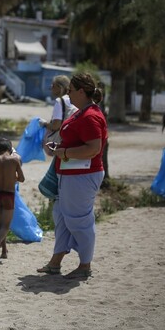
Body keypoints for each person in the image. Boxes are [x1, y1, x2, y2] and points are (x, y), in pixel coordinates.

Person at [37, 72, 108, 279]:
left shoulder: (91, 115)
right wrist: (60, 147)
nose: (67, 94)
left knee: (79, 220)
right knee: (61, 217)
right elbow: (79, 141)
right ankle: (55, 263)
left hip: (82, 175)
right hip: (70, 173)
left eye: (70, 90)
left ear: (80, 91)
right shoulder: (81, 112)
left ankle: (85, 266)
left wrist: (65, 152)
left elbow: (94, 148)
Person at [40, 75, 78, 156]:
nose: (51, 88)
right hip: (73, 139)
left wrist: (44, 124)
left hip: (61, 141)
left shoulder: (59, 101)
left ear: (59, 87)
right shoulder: (73, 99)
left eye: (53, 85)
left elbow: (56, 126)